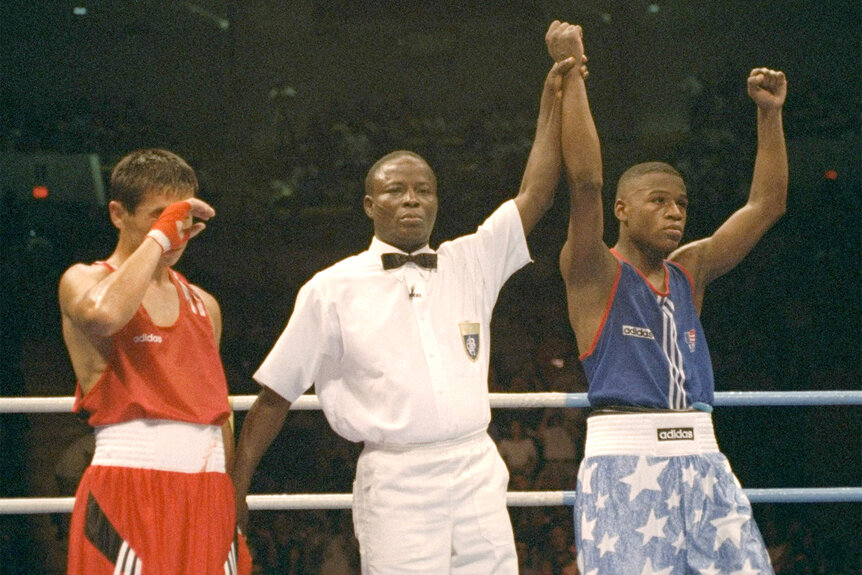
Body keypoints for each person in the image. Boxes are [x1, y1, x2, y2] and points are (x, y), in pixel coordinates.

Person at [231, 25, 587, 575]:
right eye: (396, 190)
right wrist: (237, 490)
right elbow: (274, 397)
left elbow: (535, 193)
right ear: (370, 205)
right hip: (396, 481)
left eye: (423, 189)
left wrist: (552, 99)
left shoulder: (470, 260)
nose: (412, 199)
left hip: (476, 468)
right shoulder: (331, 288)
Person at [553, 21, 788, 575]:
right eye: (658, 201)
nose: (675, 212)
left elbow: (766, 206)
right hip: (625, 459)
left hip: (703, 456)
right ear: (623, 210)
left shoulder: (690, 271)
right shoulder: (592, 271)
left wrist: (770, 114)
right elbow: (585, 182)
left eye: (680, 203)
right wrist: (572, 74)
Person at [59, 149, 251, 574]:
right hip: (129, 486)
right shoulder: (84, 280)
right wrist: (159, 239)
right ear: (117, 214)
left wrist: (231, 492)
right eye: (157, 216)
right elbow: (105, 317)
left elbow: (218, 413)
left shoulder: (205, 304)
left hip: (208, 493)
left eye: (179, 220)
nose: (174, 233)